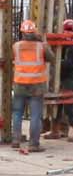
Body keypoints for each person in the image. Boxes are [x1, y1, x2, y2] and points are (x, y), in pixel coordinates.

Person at [11, 20, 47, 153]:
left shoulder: (16, 46)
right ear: (34, 32)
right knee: (35, 115)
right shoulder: (41, 46)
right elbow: (51, 57)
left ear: (22, 32)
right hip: (36, 85)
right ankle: (33, 144)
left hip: (20, 84)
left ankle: (15, 140)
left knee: (17, 113)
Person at [45, 19, 73, 141]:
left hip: (70, 79)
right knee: (56, 106)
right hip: (60, 78)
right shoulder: (66, 45)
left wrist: (55, 62)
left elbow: (70, 64)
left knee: (68, 107)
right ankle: (55, 131)